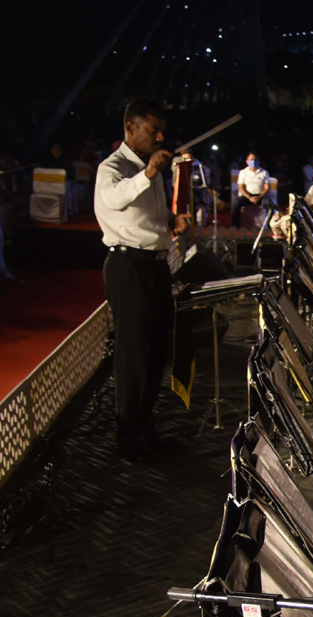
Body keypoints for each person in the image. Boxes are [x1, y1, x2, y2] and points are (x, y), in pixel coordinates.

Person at [94, 99, 191, 461]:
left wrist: (169, 219)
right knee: (133, 352)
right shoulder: (113, 167)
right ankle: (127, 437)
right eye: (153, 131)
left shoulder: (152, 169)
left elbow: (147, 212)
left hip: (154, 265)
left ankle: (144, 426)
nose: (160, 137)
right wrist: (148, 174)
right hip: (127, 266)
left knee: (155, 350)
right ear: (130, 129)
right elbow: (114, 200)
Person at [233, 152, 270, 227]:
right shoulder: (243, 172)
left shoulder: (264, 172)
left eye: (255, 159)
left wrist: (260, 196)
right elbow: (241, 187)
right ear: (247, 161)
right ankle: (236, 225)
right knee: (236, 202)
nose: (254, 161)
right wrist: (249, 197)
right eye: (251, 159)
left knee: (269, 203)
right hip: (247, 197)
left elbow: (267, 187)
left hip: (260, 197)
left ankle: (269, 225)